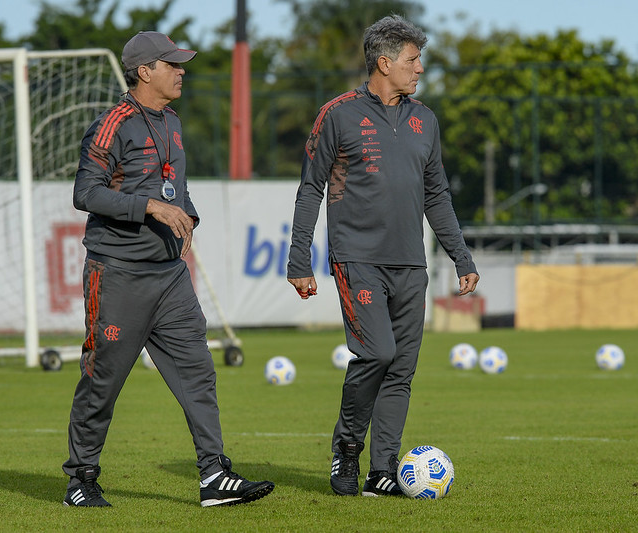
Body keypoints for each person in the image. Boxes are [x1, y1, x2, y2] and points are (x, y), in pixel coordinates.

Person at [63, 31, 274, 508]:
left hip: (169, 277)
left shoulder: (173, 121)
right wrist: (151, 209)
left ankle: (214, 475)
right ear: (144, 71)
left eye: (182, 64)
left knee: (198, 371)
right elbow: (86, 193)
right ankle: (81, 478)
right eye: (172, 64)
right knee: (103, 380)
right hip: (117, 275)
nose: (182, 71)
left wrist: (187, 216)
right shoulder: (112, 124)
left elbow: (174, 185)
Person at [286, 15, 479, 497]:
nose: (419, 69)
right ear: (384, 61)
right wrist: (298, 259)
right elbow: (311, 188)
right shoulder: (337, 114)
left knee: (401, 370)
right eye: (413, 60)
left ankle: (383, 470)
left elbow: (437, 195)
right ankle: (347, 449)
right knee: (377, 352)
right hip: (358, 259)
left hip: (411, 264)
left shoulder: (425, 120)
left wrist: (461, 257)